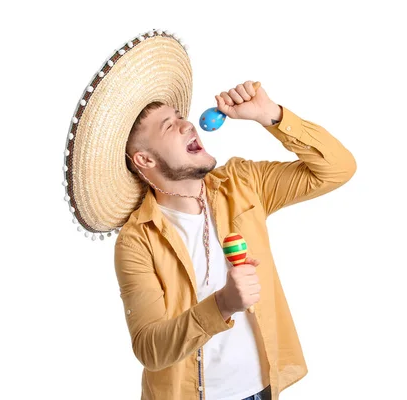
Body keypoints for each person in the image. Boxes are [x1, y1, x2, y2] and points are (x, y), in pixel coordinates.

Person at [62, 29, 356, 400]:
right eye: (170, 126)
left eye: (181, 116)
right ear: (145, 160)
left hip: (263, 390)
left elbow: (338, 169)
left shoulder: (243, 183)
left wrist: (273, 117)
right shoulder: (137, 241)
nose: (188, 124)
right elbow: (150, 349)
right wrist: (223, 305)